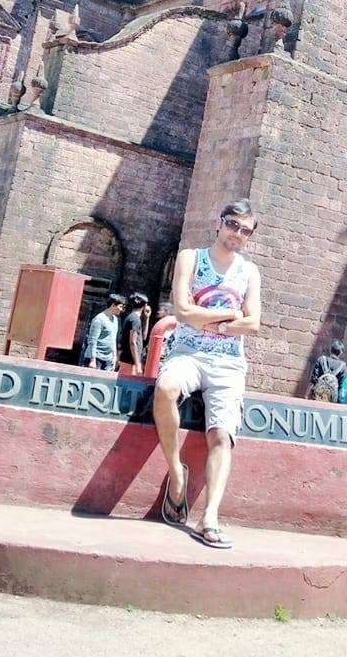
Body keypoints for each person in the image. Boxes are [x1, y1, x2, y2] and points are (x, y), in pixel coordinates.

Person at [154, 199, 261, 550]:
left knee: (222, 435)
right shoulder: (191, 258)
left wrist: (216, 323)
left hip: (228, 362)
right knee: (166, 388)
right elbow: (182, 311)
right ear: (220, 223)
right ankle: (177, 474)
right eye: (233, 225)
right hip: (188, 353)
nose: (237, 234)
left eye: (245, 230)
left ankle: (209, 517)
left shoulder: (249, 272)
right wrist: (230, 316)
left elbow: (253, 323)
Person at [81, 294, 126, 370]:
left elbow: (113, 340)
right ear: (113, 305)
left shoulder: (115, 320)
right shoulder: (99, 319)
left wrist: (114, 357)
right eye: (120, 307)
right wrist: (92, 360)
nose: (121, 310)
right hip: (96, 358)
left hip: (108, 359)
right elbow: (92, 340)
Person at [120, 292, 151, 376]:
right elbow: (132, 342)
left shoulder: (134, 318)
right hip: (129, 361)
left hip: (131, 361)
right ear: (145, 305)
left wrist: (147, 318)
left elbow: (143, 337)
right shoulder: (135, 319)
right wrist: (137, 364)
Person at [144, 302, 177, 379]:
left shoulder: (174, 328)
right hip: (156, 358)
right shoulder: (159, 325)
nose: (158, 312)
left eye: (160, 310)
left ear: (167, 311)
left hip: (165, 359)